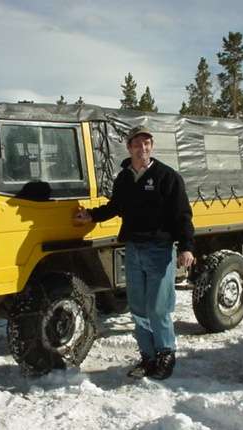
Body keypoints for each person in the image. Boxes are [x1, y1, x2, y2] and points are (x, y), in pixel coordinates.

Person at [73, 125, 195, 379]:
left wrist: (186, 247)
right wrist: (92, 216)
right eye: (138, 144)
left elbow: (182, 215)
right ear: (129, 147)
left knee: (158, 307)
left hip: (159, 249)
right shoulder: (125, 178)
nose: (143, 149)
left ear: (152, 146)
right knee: (138, 307)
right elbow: (116, 206)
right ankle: (147, 356)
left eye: (147, 143)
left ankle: (165, 354)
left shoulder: (167, 177)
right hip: (133, 248)